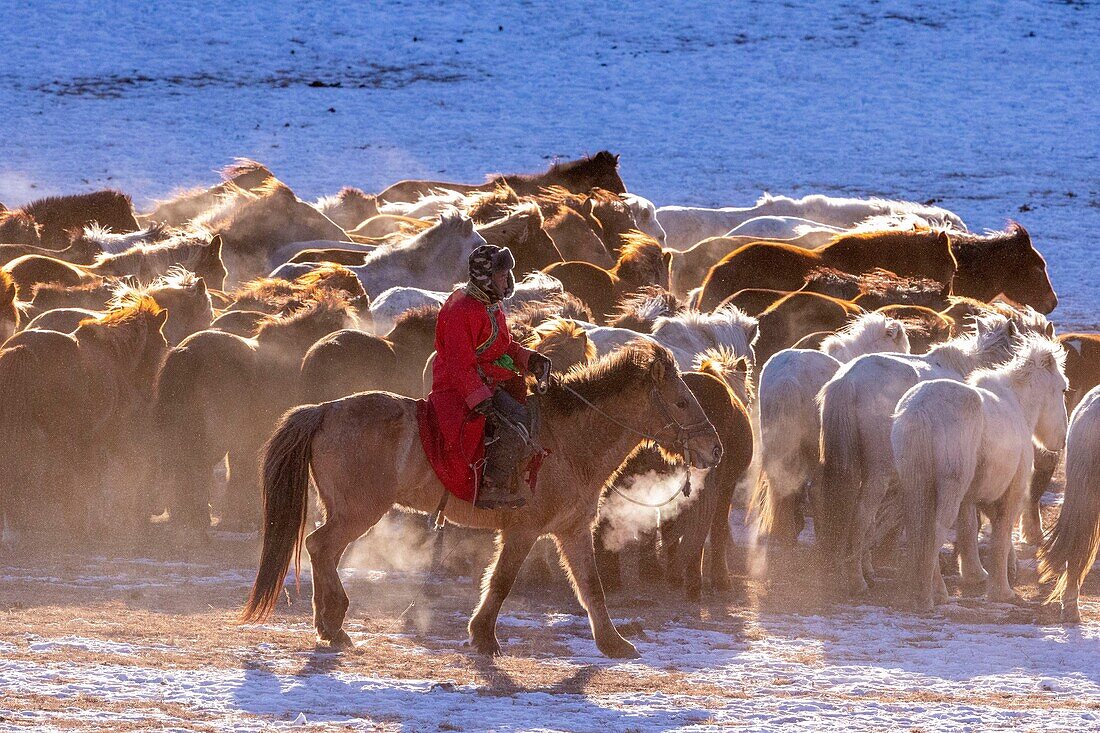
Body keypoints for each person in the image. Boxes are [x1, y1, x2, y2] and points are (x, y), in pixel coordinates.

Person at [428, 244, 552, 509]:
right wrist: (479, 398)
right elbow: (459, 365)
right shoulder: (460, 310)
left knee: (531, 412)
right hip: (458, 387)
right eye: (501, 274)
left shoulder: (490, 305)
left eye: (507, 274)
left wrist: (530, 359)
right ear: (486, 277)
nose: (506, 279)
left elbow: (503, 345)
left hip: (487, 380)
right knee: (516, 422)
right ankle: (492, 484)